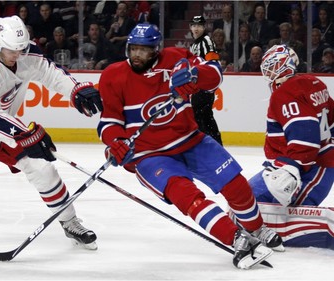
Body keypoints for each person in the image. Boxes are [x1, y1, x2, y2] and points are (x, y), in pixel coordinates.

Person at [97, 23, 283, 269]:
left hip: (191, 140)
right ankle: (235, 238)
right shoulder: (113, 74)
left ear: (156, 50)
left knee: (236, 184)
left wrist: (195, 75)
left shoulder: (175, 58)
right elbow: (109, 123)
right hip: (149, 155)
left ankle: (255, 228)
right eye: (134, 49)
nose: (137, 55)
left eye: (144, 50)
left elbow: (215, 74)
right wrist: (116, 142)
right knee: (189, 197)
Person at [0, 16, 103, 250]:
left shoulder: (25, 53)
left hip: (4, 132)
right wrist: (23, 133)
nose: (17, 56)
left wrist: (76, 90)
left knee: (42, 168)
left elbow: (51, 74)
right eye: (10, 51)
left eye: (21, 49)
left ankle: (69, 221)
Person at [248, 44, 334, 246]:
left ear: (283, 65)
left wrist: (292, 169)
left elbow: (305, 136)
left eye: (271, 67)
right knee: (245, 200)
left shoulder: (285, 93)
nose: (267, 73)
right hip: (292, 163)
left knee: (281, 215)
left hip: (312, 168)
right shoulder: (313, 82)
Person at [188, 15, 222, 145]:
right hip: (198, 86)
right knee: (203, 116)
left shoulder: (207, 40)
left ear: (204, 27)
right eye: (194, 25)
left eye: (199, 26)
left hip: (205, 85)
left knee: (202, 116)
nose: (196, 28)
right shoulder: (193, 45)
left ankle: (212, 145)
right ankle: (214, 145)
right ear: (190, 27)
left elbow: (212, 62)